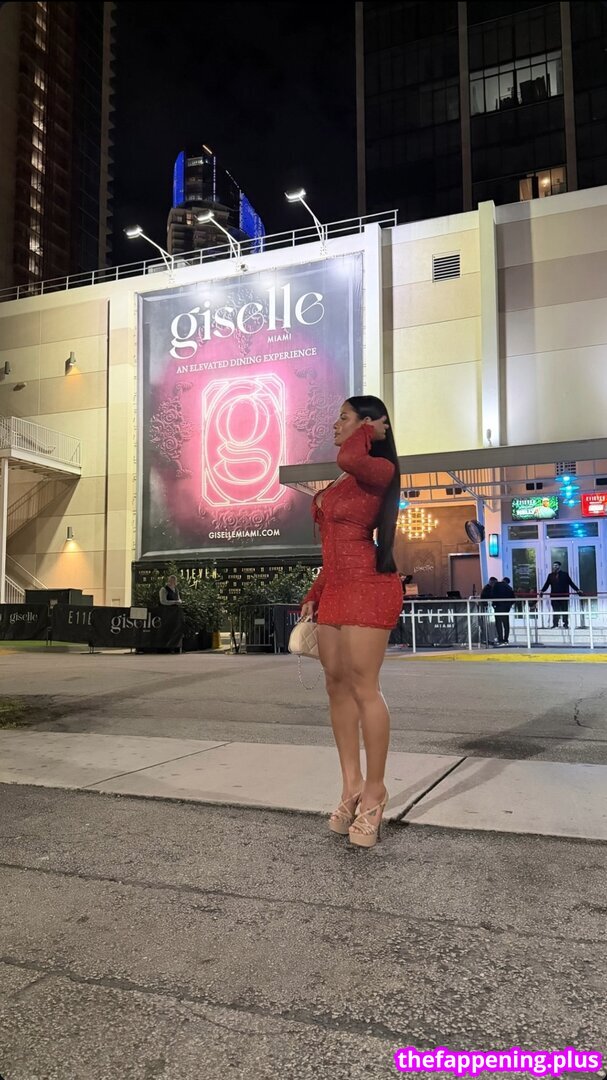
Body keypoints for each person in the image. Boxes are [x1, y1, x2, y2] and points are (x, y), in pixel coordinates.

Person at [301, 396, 401, 848]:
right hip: (337, 587)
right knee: (336, 686)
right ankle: (351, 786)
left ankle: (375, 793)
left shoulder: (376, 469)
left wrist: (365, 434)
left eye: (343, 417)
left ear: (368, 424)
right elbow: (332, 548)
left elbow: (349, 457)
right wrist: (316, 591)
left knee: (364, 686)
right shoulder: (346, 477)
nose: (334, 425)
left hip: (369, 584)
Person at [539, 561, 581, 629]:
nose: (554, 567)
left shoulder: (565, 574)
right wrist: (542, 591)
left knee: (565, 610)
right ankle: (555, 624)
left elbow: (571, 583)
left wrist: (577, 590)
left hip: (564, 595)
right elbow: (546, 584)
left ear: (559, 566)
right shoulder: (550, 575)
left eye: (556, 565)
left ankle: (565, 624)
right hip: (554, 596)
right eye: (554, 565)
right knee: (555, 610)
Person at [492, 576, 515, 646]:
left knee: (498, 623)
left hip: (498, 607)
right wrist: (509, 605)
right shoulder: (509, 588)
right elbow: (513, 599)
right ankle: (506, 639)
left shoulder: (496, 585)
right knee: (506, 623)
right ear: (508, 582)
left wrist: (494, 604)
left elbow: (493, 594)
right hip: (506, 608)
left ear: (503, 580)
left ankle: (500, 639)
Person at [479, 577, 497, 646]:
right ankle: (491, 639)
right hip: (489, 608)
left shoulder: (487, 588)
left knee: (490, 625)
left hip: (488, 608)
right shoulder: (488, 589)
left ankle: (490, 639)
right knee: (491, 625)